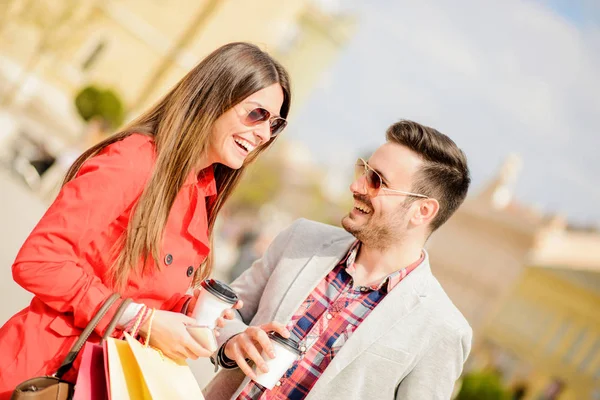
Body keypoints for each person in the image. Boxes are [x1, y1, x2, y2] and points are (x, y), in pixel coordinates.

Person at [0, 41, 291, 398]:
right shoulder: (135, 159)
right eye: (257, 114)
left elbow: (143, 291)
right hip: (47, 373)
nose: (263, 134)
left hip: (107, 380)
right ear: (214, 97)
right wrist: (141, 320)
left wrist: (217, 328)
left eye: (274, 124)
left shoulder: (203, 192)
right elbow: (39, 261)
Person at [204, 120, 473, 399]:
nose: (356, 185)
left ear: (422, 211)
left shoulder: (443, 329)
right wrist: (234, 339)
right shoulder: (301, 238)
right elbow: (223, 310)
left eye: (377, 180)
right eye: (364, 170)